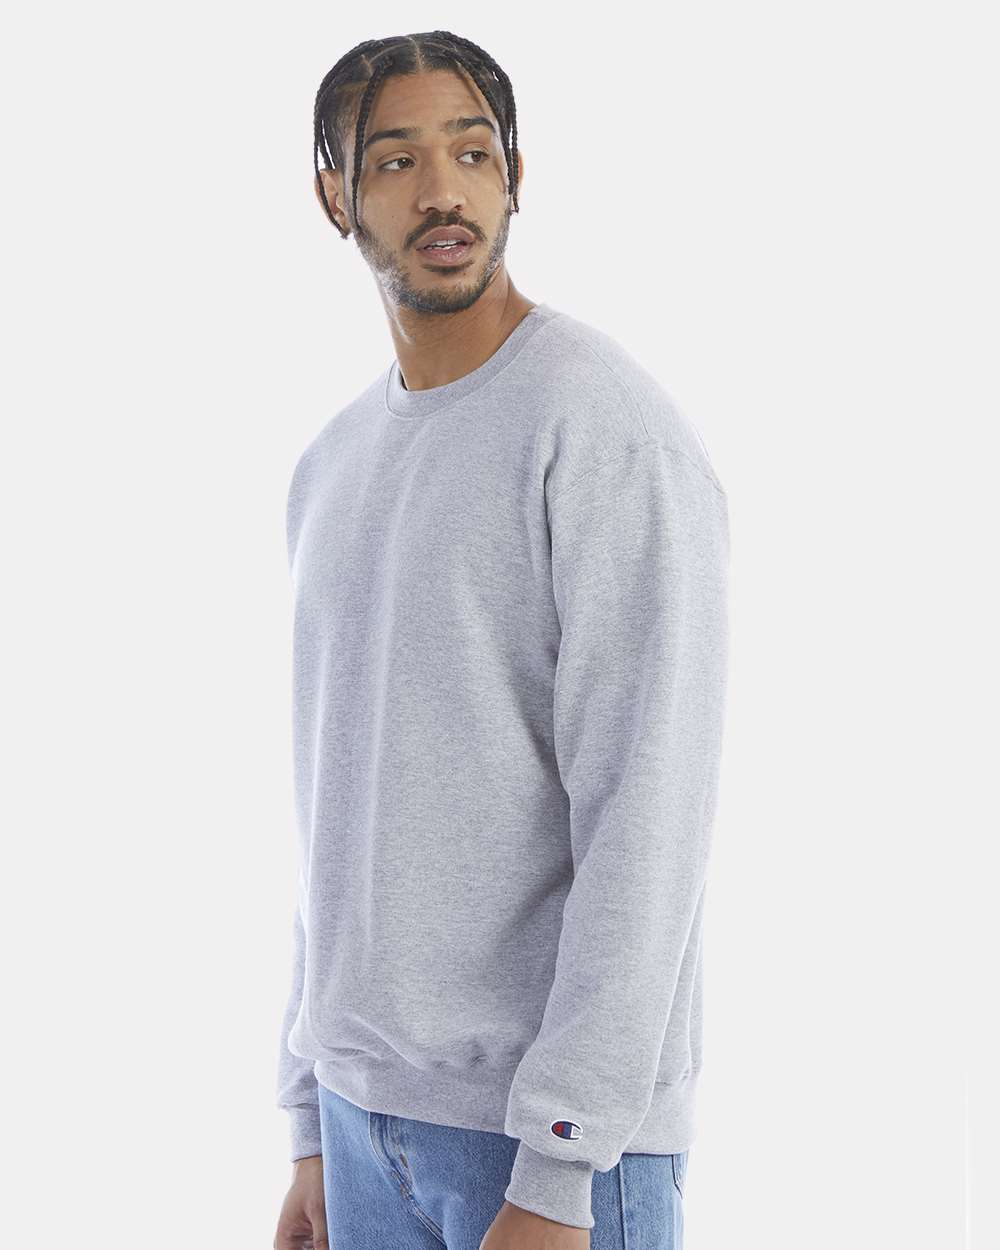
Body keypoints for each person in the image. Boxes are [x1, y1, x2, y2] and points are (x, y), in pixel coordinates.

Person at [273, 30, 729, 1250]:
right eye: (397, 161)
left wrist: (562, 1160)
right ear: (334, 195)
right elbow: (334, 809)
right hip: (363, 1126)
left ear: (516, 173)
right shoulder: (331, 465)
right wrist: (313, 1116)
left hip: (546, 1145)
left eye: (472, 153)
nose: (443, 192)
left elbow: (647, 811)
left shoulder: (600, 428)